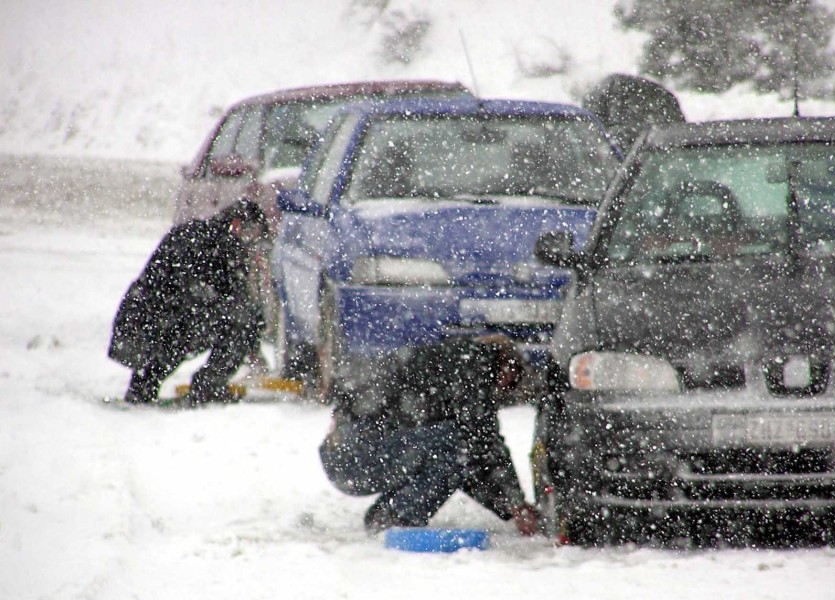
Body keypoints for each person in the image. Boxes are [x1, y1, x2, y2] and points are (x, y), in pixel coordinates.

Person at [319, 334, 540, 535]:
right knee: (460, 443)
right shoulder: (473, 364)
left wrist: (510, 507)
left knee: (455, 450)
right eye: (512, 380)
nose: (504, 391)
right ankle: (394, 515)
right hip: (355, 456)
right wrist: (516, 505)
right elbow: (482, 442)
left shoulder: (450, 366)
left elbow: (467, 466)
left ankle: (390, 514)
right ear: (506, 364)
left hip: (345, 460)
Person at [108, 199, 269, 404]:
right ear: (237, 225)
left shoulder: (195, 235)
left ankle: (144, 388)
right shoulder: (211, 245)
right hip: (155, 322)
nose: (252, 243)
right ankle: (207, 386)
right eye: (251, 234)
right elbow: (196, 293)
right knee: (236, 323)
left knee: (185, 333)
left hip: (151, 322)